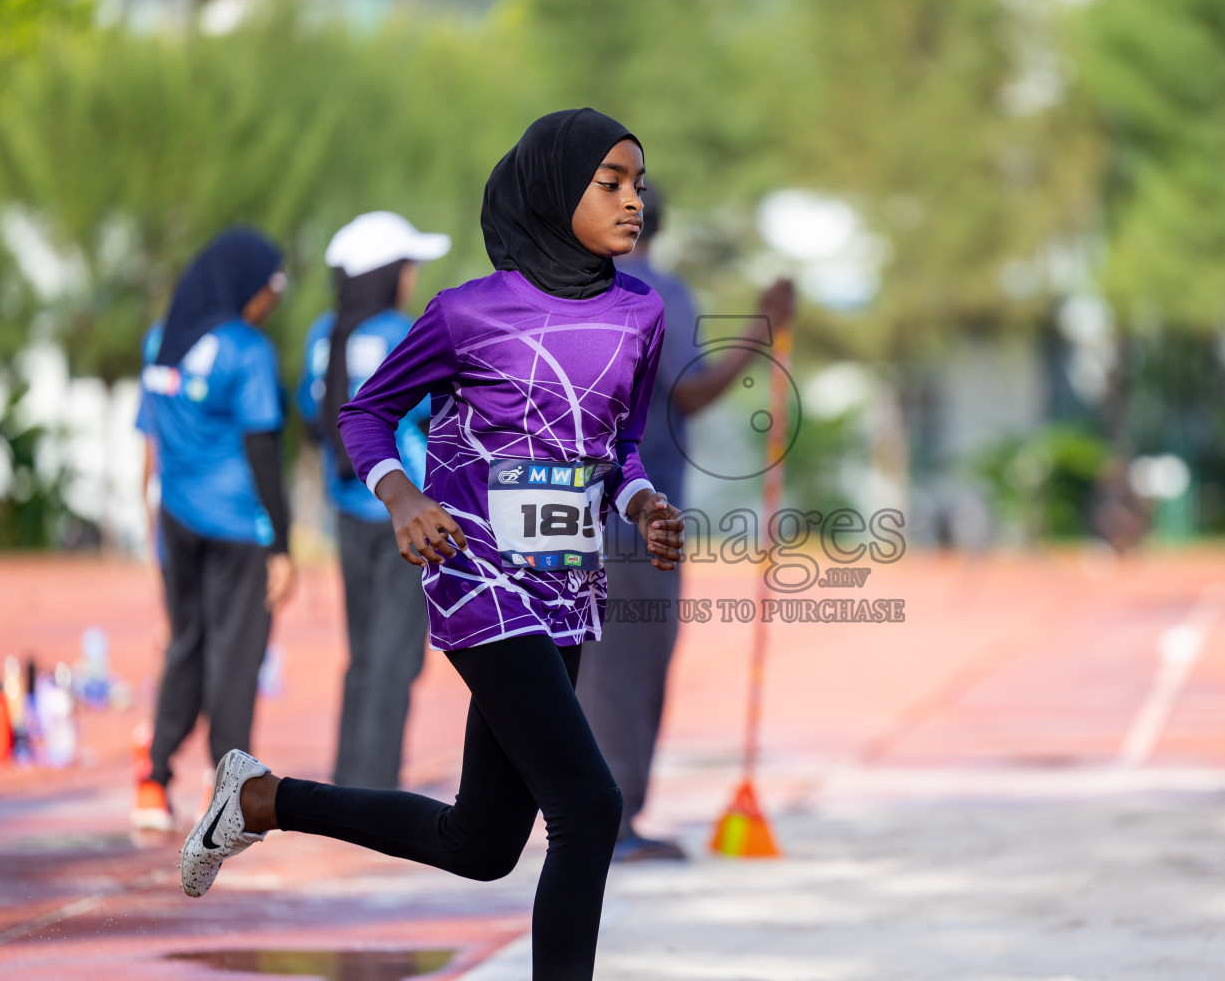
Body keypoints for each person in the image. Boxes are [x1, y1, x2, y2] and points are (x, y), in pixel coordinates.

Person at [178, 110, 685, 981]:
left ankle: (260, 797)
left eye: (638, 182)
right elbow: (364, 413)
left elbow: (620, 444)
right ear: (556, 190)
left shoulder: (641, 313)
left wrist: (640, 503)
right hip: (478, 576)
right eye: (612, 182)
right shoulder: (466, 314)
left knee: (481, 842)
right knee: (589, 806)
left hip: (566, 584)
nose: (633, 200)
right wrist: (402, 496)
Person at [574, 189, 795, 861]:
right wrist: (762, 328)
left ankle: (587, 817)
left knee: (587, 666)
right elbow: (689, 393)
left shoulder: (568, 288)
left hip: (564, 507)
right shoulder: (654, 290)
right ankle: (610, 827)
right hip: (639, 512)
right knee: (631, 668)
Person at [132, 228, 294, 831]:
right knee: (237, 654)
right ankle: (227, 788)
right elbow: (262, 449)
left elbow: (148, 441)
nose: (273, 298)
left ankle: (152, 778)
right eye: (271, 285)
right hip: (238, 525)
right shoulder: (246, 349)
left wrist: (148, 516)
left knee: (186, 644)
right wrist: (281, 545)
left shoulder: (159, 341)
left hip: (175, 516)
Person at [298, 212, 450, 790]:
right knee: (397, 653)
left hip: (347, 507)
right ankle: (376, 783)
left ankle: (350, 775)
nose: (412, 277)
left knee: (364, 652)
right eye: (407, 266)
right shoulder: (398, 334)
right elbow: (435, 412)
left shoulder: (322, 333)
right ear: (387, 275)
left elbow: (312, 413)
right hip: (402, 512)